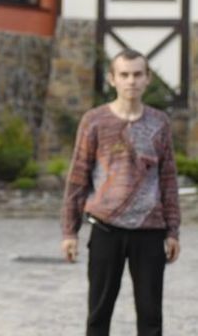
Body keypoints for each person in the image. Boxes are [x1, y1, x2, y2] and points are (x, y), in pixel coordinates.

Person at [60, 49, 181, 336]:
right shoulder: (94, 121)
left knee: (151, 317)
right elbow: (78, 177)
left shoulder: (160, 123)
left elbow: (168, 178)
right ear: (112, 79)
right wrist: (69, 231)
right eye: (124, 74)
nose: (131, 81)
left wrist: (173, 230)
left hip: (150, 231)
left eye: (137, 74)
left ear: (148, 78)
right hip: (106, 229)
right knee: (98, 315)